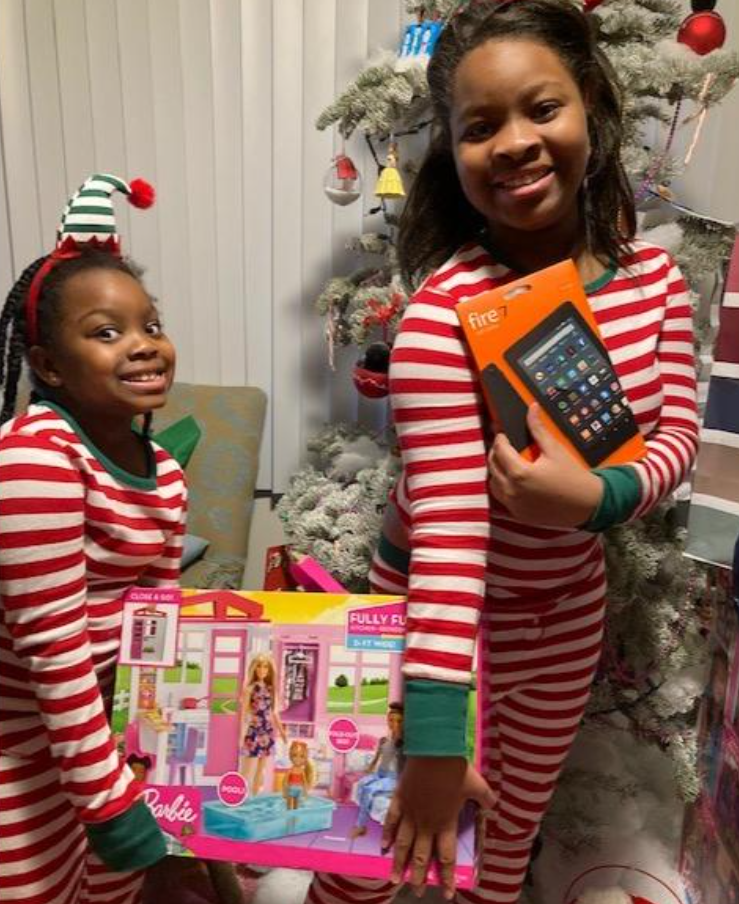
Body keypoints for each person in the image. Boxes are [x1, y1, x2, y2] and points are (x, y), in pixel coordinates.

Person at [306, 1, 698, 902]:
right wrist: (436, 738)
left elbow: (675, 437)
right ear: (452, 151)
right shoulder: (443, 315)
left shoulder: (655, 283)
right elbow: (448, 543)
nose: (514, 143)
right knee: (374, 838)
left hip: (564, 613)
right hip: (431, 620)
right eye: (480, 127)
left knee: (506, 836)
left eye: (542, 109)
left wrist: (595, 499)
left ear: (591, 106)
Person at [0, 174, 187, 904]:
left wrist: (158, 750)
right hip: (24, 751)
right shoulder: (34, 458)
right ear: (48, 366)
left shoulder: (166, 471)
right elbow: (54, 651)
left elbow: (160, 621)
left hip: (113, 742)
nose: (142, 347)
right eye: (106, 333)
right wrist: (107, 800)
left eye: (150, 324)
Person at [349, 702, 405, 839]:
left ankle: (360, 826)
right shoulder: (384, 741)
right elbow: (376, 759)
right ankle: (364, 815)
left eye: (398, 721)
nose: (394, 724)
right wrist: (368, 770)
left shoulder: (404, 744)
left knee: (369, 790)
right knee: (361, 785)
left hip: (393, 778)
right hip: (380, 774)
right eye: (391, 720)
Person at [240, 652, 287, 795]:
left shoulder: (271, 689)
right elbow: (244, 713)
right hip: (254, 731)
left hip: (267, 731)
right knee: (247, 770)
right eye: (259, 666)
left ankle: (254, 799)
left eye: (265, 667)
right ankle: (239, 797)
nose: (262, 670)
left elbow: (274, 712)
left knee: (261, 771)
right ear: (254, 668)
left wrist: (282, 732)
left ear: (269, 670)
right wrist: (241, 735)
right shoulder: (250, 689)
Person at [283, 740, 315, 810]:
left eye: (301, 756)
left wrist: (306, 791)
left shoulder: (302, 771)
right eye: (295, 755)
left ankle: (294, 819)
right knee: (288, 806)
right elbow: (285, 781)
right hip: (291, 789)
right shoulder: (290, 770)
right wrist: (284, 791)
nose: (298, 759)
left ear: (305, 758)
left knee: (296, 806)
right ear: (291, 756)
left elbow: (304, 782)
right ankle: (288, 819)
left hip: (298, 790)